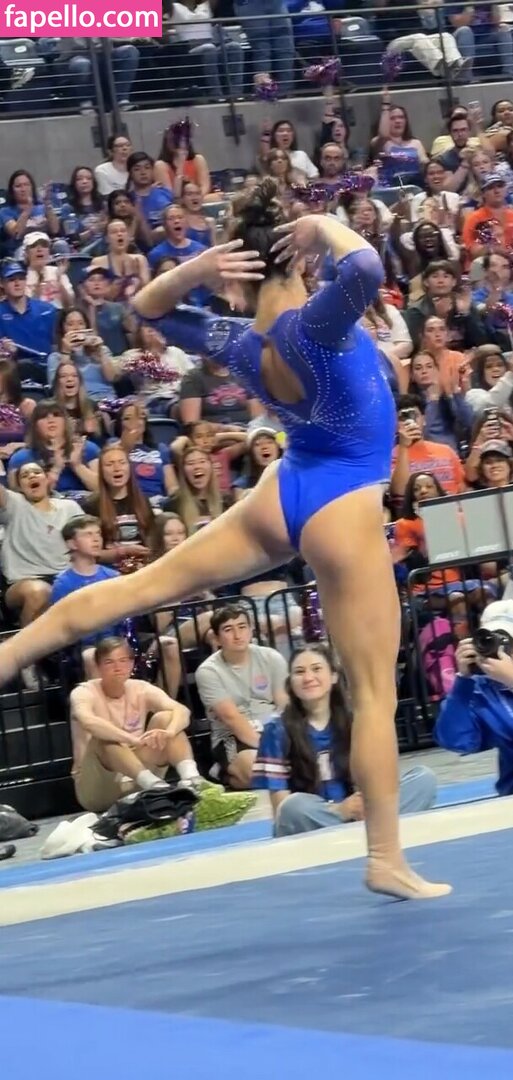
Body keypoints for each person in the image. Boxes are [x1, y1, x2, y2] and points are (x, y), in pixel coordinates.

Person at [0, 180, 451, 899]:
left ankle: (10, 653)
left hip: (285, 490)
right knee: (371, 693)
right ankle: (386, 859)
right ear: (298, 258)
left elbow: (145, 309)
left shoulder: (237, 340)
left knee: (141, 587)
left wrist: (196, 270)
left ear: (241, 272)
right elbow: (366, 268)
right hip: (341, 499)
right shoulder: (313, 325)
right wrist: (322, 224)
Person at [254, 645, 437, 836]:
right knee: (293, 806)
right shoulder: (277, 730)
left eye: (316, 669)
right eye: (299, 672)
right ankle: (371, 830)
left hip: (361, 813)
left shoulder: (356, 720)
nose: (308, 678)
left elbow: (377, 780)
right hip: (316, 819)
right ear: (290, 682)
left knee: (423, 779)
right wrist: (339, 810)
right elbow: (281, 808)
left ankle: (366, 829)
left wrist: (364, 804)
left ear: (333, 676)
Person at [69, 635, 199, 813]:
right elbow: (88, 721)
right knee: (104, 737)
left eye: (123, 661)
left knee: (166, 718)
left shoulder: (140, 688)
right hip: (100, 786)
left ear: (131, 664)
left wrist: (169, 732)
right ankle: (153, 785)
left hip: (139, 775)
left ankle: (192, 779)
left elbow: (182, 711)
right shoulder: (83, 692)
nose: (117, 668)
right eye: (109, 662)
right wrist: (131, 739)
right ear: (98, 666)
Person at [195, 604, 288, 789]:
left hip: (273, 727)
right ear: (217, 638)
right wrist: (269, 750)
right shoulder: (208, 671)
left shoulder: (272, 657)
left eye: (242, 626)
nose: (238, 635)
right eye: (228, 629)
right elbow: (231, 719)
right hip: (232, 736)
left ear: (251, 630)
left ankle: (234, 775)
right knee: (262, 772)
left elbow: (285, 705)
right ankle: (227, 772)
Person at [435, 600, 513, 796]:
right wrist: (463, 681)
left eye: (507, 642)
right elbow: (457, 741)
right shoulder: (480, 689)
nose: (500, 650)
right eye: (492, 640)